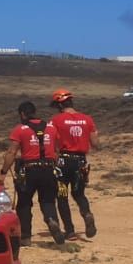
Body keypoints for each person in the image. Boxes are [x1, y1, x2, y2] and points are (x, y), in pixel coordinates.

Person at [0, 100, 66, 245]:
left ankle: (26, 236)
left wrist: (2, 173)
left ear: (22, 114)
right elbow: (57, 151)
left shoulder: (20, 129)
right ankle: (51, 220)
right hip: (48, 169)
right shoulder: (51, 128)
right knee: (48, 201)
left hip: (29, 170)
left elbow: (11, 152)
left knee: (24, 203)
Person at [48, 88, 98, 239]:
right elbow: (96, 143)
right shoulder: (87, 119)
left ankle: (69, 231)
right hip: (80, 162)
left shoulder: (55, 121)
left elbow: (50, 142)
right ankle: (87, 214)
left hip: (62, 162)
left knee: (62, 196)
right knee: (79, 194)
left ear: (59, 105)